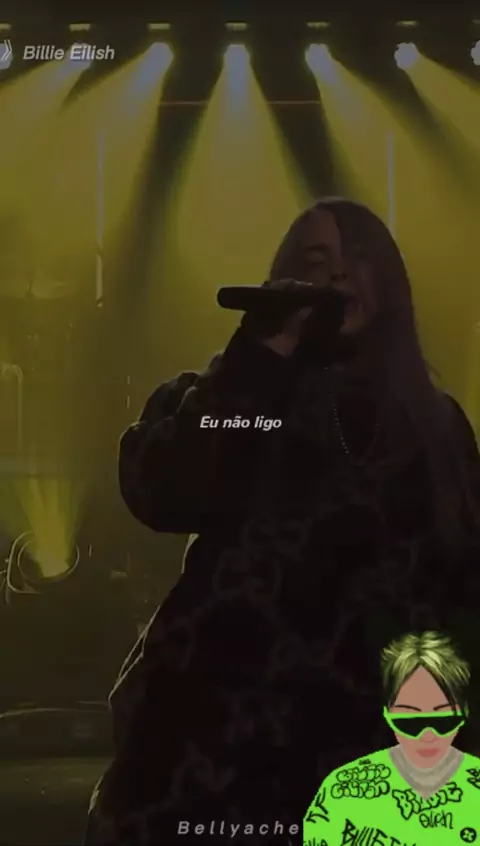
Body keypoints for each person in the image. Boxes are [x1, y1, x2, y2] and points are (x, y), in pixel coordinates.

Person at [85, 198, 480, 845]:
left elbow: (463, 587)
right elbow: (159, 490)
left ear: (390, 280)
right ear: (279, 281)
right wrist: (261, 355)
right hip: (220, 755)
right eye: (315, 261)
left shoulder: (435, 428)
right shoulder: (234, 398)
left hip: (371, 754)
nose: (338, 274)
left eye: (357, 257)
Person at [303, 630, 480, 846]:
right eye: (409, 721)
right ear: (388, 713)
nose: (427, 736)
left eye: (443, 720)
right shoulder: (342, 790)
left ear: (464, 712)